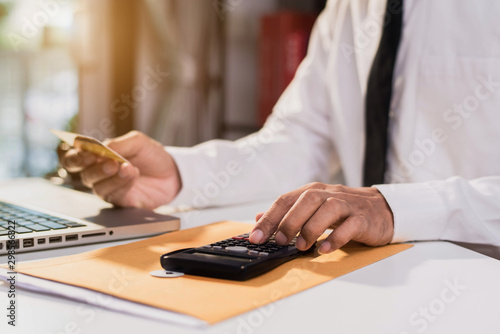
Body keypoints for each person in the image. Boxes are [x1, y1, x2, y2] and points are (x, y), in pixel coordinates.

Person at [61, 0, 500, 256]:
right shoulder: (346, 10)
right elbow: (298, 141)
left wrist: (399, 209)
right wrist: (180, 174)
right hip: (371, 277)